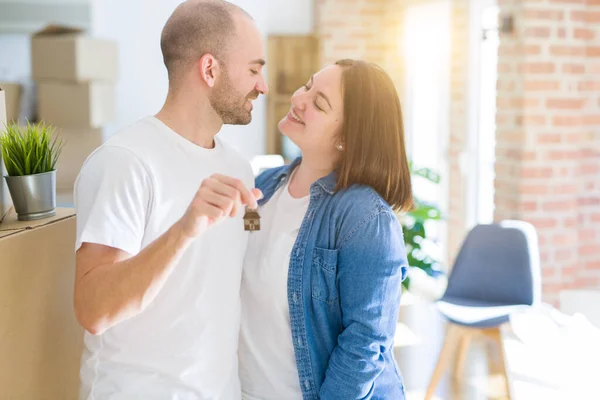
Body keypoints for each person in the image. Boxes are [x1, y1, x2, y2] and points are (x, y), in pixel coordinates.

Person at [72, 1, 267, 398]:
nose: (262, 85)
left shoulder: (240, 169)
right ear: (210, 69)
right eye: (253, 69)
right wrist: (183, 230)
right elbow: (93, 310)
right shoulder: (124, 162)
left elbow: (243, 268)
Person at [238, 59, 412, 399]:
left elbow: (366, 342)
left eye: (319, 103)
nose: (298, 100)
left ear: (347, 137)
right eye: (307, 86)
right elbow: (245, 251)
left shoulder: (365, 218)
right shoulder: (264, 187)